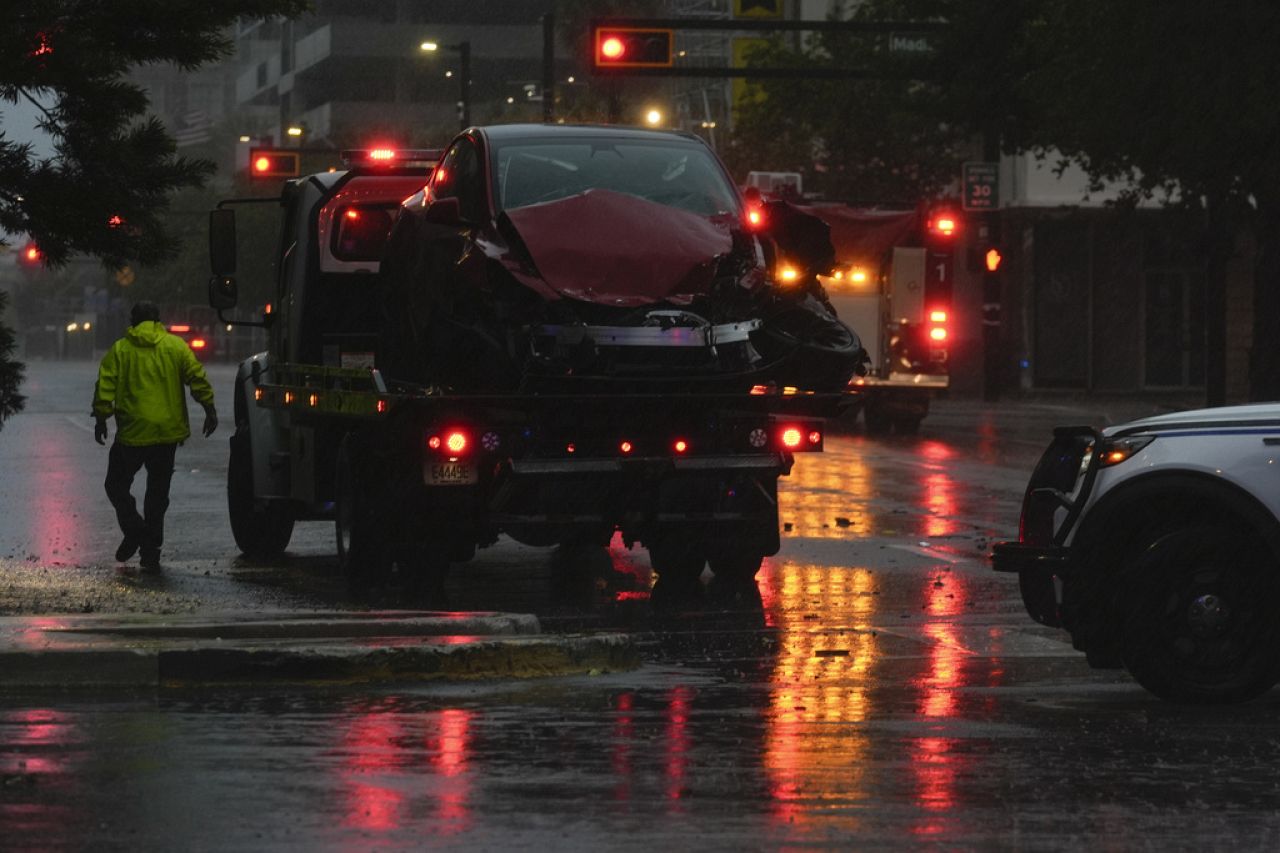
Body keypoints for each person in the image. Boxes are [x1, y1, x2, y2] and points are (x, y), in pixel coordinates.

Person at [92, 302, 217, 572]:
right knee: (158, 493)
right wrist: (209, 408)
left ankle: (135, 528)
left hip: (133, 433)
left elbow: (105, 386)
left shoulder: (121, 350)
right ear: (158, 320)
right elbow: (197, 377)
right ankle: (151, 548)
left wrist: (101, 418)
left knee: (116, 485)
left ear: (133, 322)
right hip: (166, 433)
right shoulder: (175, 347)